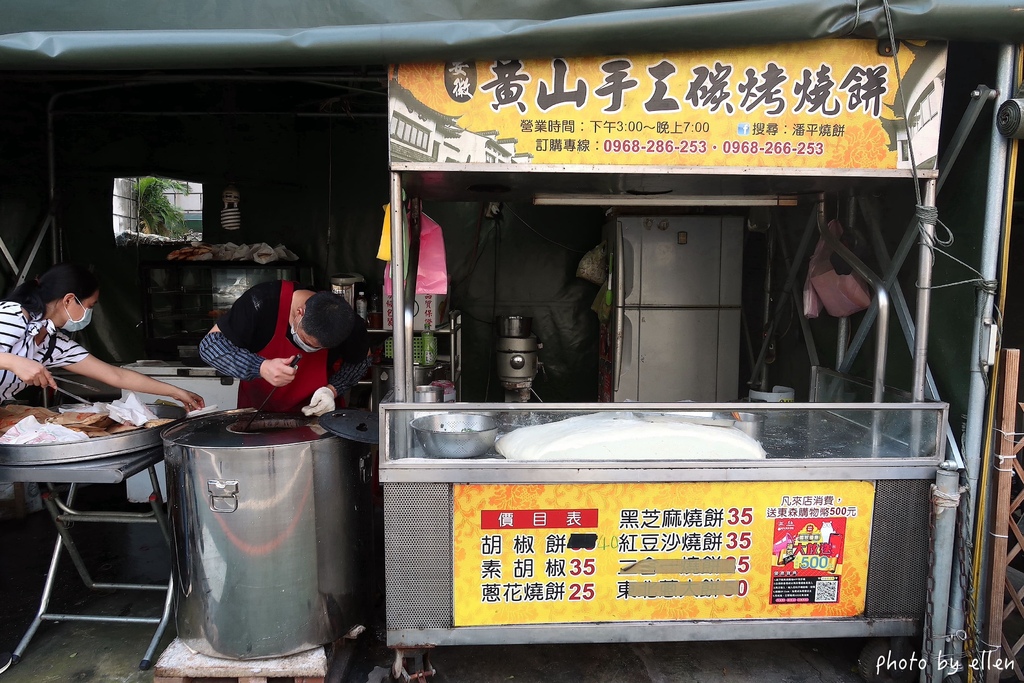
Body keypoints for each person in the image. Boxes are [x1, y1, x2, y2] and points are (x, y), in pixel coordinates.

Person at [0, 263, 205, 410]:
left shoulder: (53, 344)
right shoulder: (14, 315)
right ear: (69, 300)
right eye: (89, 307)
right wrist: (13, 361)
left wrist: (176, 392)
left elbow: (116, 376)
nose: (88, 314)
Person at [199, 279, 369, 415]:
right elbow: (210, 346)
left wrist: (332, 390)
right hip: (256, 416)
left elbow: (362, 359)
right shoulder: (262, 301)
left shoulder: (347, 322)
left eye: (319, 348)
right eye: (307, 342)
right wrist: (260, 367)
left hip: (317, 418)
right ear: (299, 313)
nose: (310, 350)